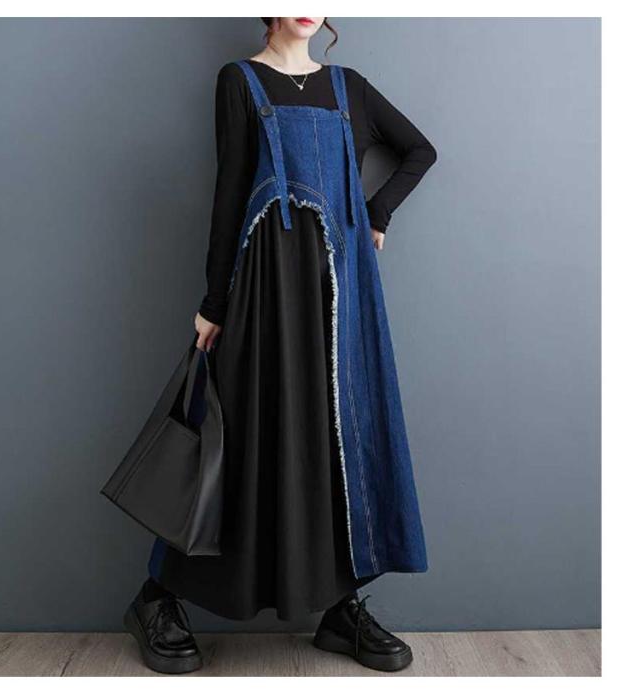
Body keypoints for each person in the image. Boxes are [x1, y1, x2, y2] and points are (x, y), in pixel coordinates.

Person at [123, 17, 437, 674]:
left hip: (341, 299)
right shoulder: (239, 82)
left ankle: (337, 608)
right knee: (240, 432)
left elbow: (419, 151)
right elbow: (231, 191)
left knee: (338, 435)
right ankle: (156, 596)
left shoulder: (350, 88)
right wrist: (215, 301)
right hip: (263, 289)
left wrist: (376, 214)